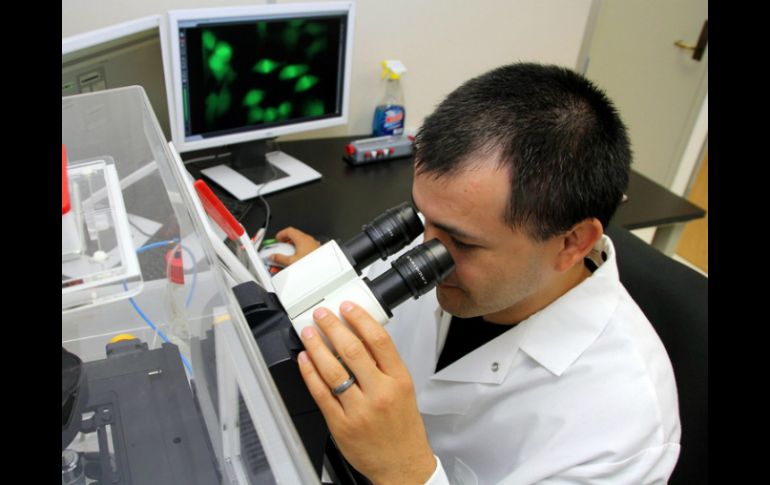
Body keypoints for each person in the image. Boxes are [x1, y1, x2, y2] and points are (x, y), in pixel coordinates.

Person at [271, 63, 681, 484]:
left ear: (572, 243)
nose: (426, 251)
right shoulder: (462, 225)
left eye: (463, 244)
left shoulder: (624, 427)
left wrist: (407, 470)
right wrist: (325, 272)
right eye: (422, 218)